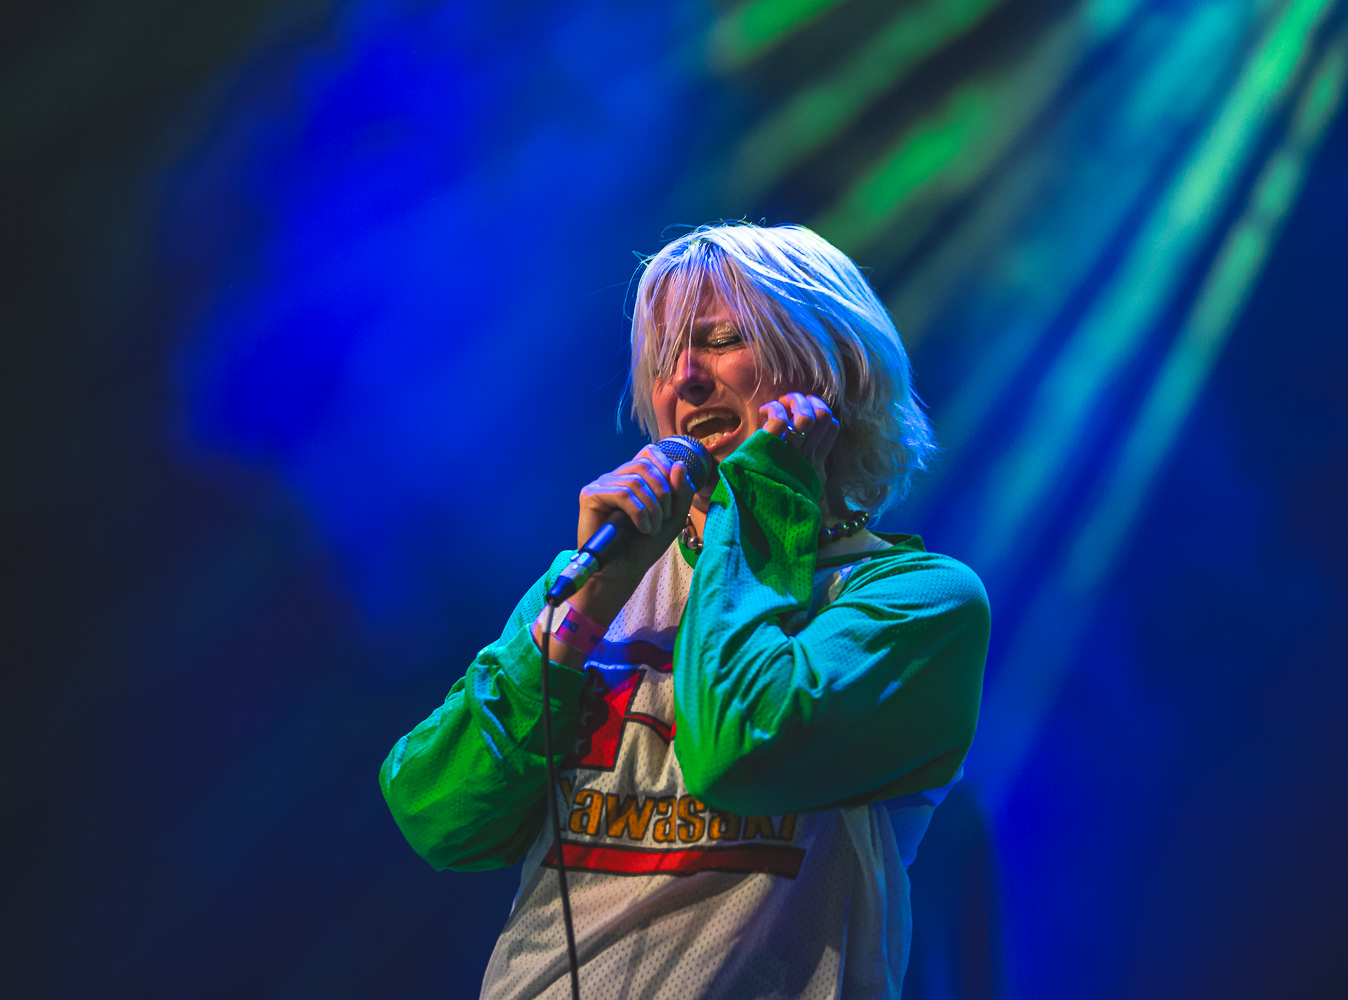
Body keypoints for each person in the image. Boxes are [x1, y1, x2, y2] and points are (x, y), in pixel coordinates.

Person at [379, 222, 990, 999]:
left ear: (832, 368)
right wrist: (583, 611)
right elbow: (438, 813)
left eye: (722, 341)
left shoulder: (919, 601)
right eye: (665, 359)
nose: (686, 379)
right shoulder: (598, 581)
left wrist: (765, 497)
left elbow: (742, 750)